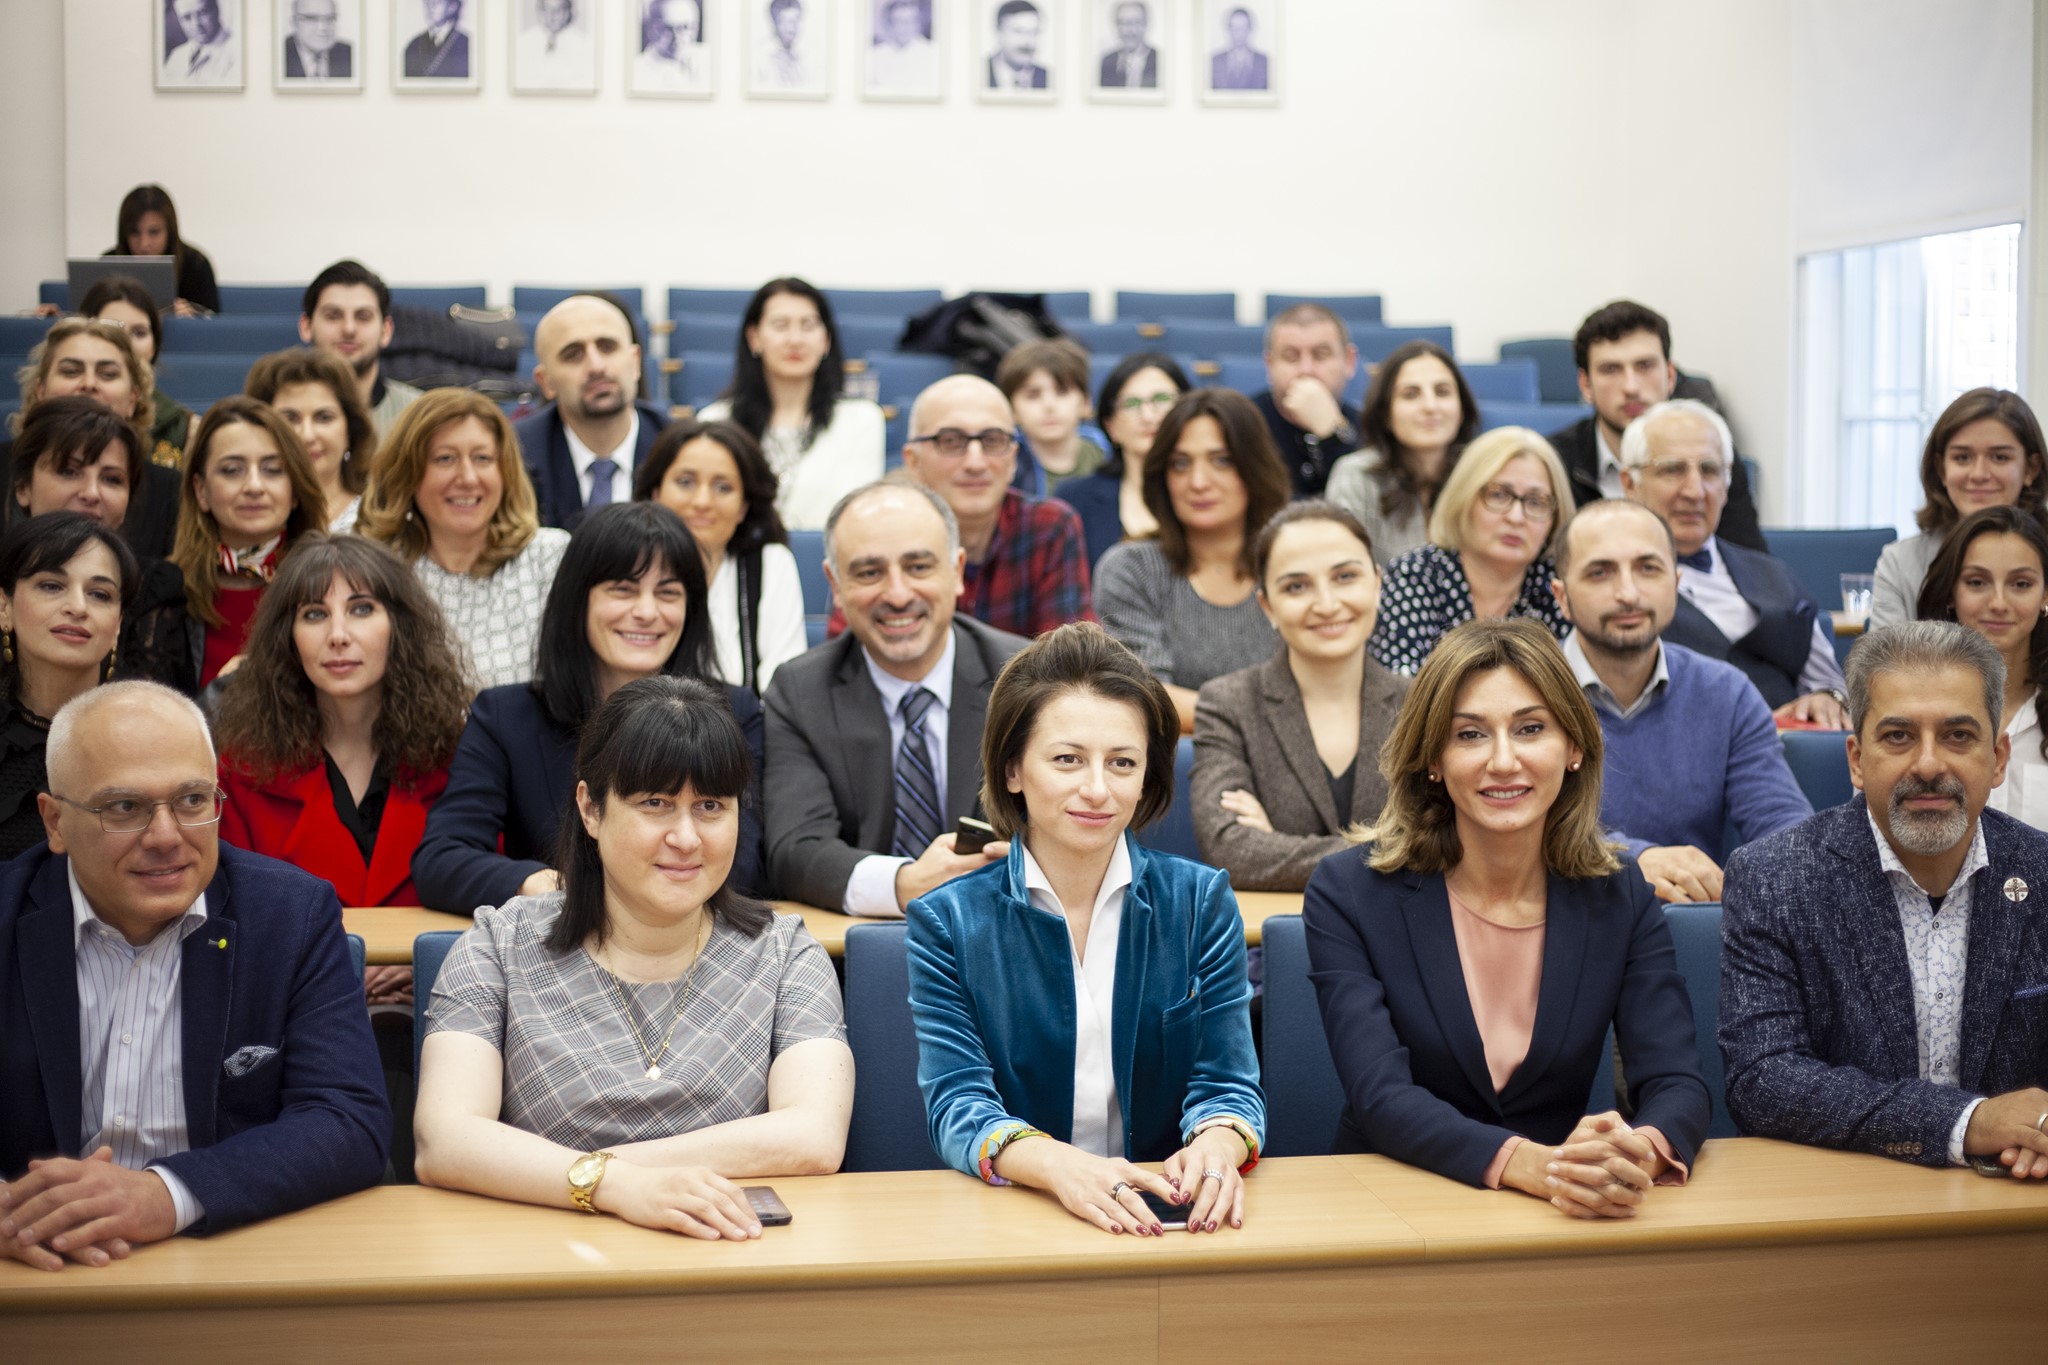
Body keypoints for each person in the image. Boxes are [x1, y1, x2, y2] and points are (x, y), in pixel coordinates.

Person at [415, 676, 851, 1232]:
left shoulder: (785, 951)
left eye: (711, 806)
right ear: (591, 809)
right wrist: (619, 1187)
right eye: (655, 803)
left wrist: (588, 1169)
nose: (687, 838)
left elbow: (814, 1136)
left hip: (729, 1256)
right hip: (542, 1258)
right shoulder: (497, 946)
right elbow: (443, 1140)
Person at [1305, 618, 1710, 1207]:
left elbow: (1677, 1082)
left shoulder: (1620, 893)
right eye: (1470, 734)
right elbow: (1381, 1097)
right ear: (1433, 758)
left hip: (1562, 1211)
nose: (1503, 760)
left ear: (1574, 748)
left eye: (1530, 729)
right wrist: (1538, 1166)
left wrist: (1634, 1154)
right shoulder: (1348, 891)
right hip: (1391, 1203)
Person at [0, 682, 388, 1268]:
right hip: (35, 1269)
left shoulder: (291, 916)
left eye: (191, 800)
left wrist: (166, 1194)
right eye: (124, 808)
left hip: (228, 1260)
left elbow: (348, 1119)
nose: (166, 837)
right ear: (55, 823)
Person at [907, 623, 1264, 1234]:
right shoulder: (947, 919)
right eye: (1068, 760)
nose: (1097, 789)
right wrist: (1058, 1166)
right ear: (1013, 769)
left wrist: (1217, 1143)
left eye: (1122, 763)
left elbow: (1228, 1084)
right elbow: (957, 1104)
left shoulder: (1200, 901)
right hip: (1024, 1214)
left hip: (1168, 1217)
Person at [1720, 621, 2048, 1177]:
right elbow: (1763, 1078)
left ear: (1997, 758)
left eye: (1958, 736)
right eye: (1898, 736)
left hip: (2015, 1198)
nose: (1928, 764)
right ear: (1856, 758)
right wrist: (1967, 1122)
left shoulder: (2040, 874)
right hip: (1842, 1200)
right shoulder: (1775, 878)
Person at [413, 502, 765, 915]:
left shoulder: (734, 712)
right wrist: (544, 885)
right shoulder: (505, 716)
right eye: (623, 590)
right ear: (578, 599)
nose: (646, 612)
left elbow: (745, 864)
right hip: (554, 938)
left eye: (668, 593)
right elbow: (442, 858)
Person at [763, 480, 1026, 915]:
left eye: (918, 567)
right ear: (835, 584)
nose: (898, 595)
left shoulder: (1026, 679)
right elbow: (796, 848)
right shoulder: (800, 692)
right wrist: (905, 883)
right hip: (856, 944)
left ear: (957, 571)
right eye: (869, 573)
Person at [1551, 500, 1813, 902]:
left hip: (1690, 918)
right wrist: (1631, 861)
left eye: (1648, 568)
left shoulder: (1727, 692)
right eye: (1600, 572)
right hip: (1559, 914)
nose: (1628, 593)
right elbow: (1516, 833)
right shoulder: (1525, 693)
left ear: (1675, 584)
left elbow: (1783, 826)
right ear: (1562, 597)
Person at [215, 534, 471, 917]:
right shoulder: (242, 772)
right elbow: (232, 917)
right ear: (288, 638)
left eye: (361, 609)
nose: (338, 636)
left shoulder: (460, 758)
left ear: (399, 626)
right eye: (315, 614)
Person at [1192, 502, 1406, 891]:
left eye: (1345, 577)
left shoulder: (1421, 703)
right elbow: (1228, 848)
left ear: (1377, 584)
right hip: (1276, 928)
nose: (1327, 604)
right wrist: (1392, 848)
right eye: (1296, 586)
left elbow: (1448, 838)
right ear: (1267, 606)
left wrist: (1276, 845)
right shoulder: (1228, 704)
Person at [1621, 399, 1847, 727]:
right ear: (1630, 484)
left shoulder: (1773, 573)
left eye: (1709, 470)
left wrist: (1827, 698)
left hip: (1787, 746)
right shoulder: (1611, 586)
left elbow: (1830, 684)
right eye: (1672, 469)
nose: (1695, 491)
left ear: (1727, 485)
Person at [1095, 389, 1289, 729]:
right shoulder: (1132, 569)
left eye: (1222, 461)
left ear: (1254, 467)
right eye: (1181, 464)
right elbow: (1143, 696)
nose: (1198, 482)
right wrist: (1260, 718)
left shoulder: (1294, 561)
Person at [357, 388, 570, 690]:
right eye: (445, 459)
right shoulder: (374, 570)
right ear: (407, 473)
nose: (468, 478)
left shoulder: (549, 557)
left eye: (483, 458)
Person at [8, 400, 192, 694]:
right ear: (23, 487)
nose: (92, 493)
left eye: (111, 479)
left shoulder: (156, 587)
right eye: (69, 471)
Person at [1548, 300, 1763, 551]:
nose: (1631, 387)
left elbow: (1748, 562)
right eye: (1611, 369)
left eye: (1645, 366)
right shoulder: (1554, 463)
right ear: (1586, 385)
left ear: (1670, 376)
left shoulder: (1708, 457)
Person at [894, 374, 1094, 640]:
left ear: (1013, 459)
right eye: (950, 441)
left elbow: (1069, 657)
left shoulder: (1050, 526)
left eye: (993, 441)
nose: (975, 463)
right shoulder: (883, 533)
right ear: (913, 461)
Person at [1368, 426, 1576, 676]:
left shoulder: (1558, 587)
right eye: (1498, 495)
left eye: (1535, 502)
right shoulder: (1413, 576)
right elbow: (1400, 689)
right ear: (1464, 498)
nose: (1516, 517)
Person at [0, 514, 138, 859]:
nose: (77, 607)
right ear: (4, 607)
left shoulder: (150, 736)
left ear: (118, 625)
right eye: (51, 586)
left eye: (100, 594)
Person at [633, 419, 806, 694]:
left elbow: (783, 693)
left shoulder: (770, 565)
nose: (702, 501)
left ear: (744, 506)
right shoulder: (624, 564)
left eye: (723, 487)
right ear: (656, 493)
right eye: (685, 482)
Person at [700, 279, 886, 532]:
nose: (795, 339)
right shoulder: (716, 420)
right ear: (754, 338)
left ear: (826, 340)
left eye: (808, 326)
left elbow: (859, 516)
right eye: (780, 326)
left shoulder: (861, 419)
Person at [170, 397, 327, 689]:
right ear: (201, 491)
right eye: (232, 470)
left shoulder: (330, 583)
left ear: (295, 490)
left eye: (273, 470)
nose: (254, 486)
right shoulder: (165, 594)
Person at [1915, 506, 2048, 830]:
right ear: (1950, 592)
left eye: (2021, 584)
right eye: (1977, 582)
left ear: (2045, 595)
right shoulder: (1907, 702)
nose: (1999, 603)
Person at [1872, 389, 2046, 630]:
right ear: (1941, 469)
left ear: (2030, 468)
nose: (1979, 474)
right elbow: (1883, 654)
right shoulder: (1901, 562)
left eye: (1999, 457)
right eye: (1962, 458)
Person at [10, 317, 181, 562]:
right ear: (41, 391)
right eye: (71, 371)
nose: (89, 384)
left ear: (133, 399)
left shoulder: (170, 490)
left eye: (108, 374)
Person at [1324, 340, 1481, 566]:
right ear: (1386, 413)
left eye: (1442, 392)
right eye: (1411, 394)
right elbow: (1343, 568)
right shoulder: (1355, 476)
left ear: (1462, 408)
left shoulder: (1484, 474)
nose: (1430, 406)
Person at [516, 295, 666, 531]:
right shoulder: (516, 454)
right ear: (546, 382)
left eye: (607, 347)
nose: (596, 366)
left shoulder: (678, 449)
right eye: (573, 354)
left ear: (635, 362)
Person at [1058, 352, 1191, 568]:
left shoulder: (1209, 491)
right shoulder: (1074, 499)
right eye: (1131, 403)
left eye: (1162, 399)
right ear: (1111, 427)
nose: (1148, 416)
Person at [243, 348, 376, 533]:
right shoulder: (241, 518)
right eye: (290, 418)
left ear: (351, 431)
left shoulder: (380, 522)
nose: (307, 436)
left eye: (324, 418)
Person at [78, 273, 191, 472]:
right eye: (112, 330)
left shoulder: (185, 427)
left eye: (139, 333)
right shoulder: (57, 419)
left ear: (154, 345)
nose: (127, 344)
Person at [299, 260, 423, 440]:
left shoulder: (419, 416)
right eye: (333, 316)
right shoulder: (276, 414)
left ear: (386, 331)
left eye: (363, 317)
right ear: (306, 327)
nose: (349, 329)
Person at [1254, 304, 1362, 497]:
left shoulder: (1370, 428)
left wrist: (1332, 433)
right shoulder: (1242, 423)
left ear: (1349, 361)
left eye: (1321, 355)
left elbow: (1366, 502)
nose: (1306, 370)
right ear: (1269, 365)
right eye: (1291, 357)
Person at [995, 338, 1107, 491]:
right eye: (1033, 395)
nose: (1049, 405)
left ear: (1086, 403)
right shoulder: (1005, 467)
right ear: (1012, 409)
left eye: (1062, 392)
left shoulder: (1106, 452)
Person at [102, 186, 219, 316]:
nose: (144, 243)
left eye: (154, 232)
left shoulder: (196, 265)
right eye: (134, 232)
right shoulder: (107, 265)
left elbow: (213, 322)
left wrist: (190, 318)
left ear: (170, 231)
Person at [161, 0, 241, 89]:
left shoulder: (239, 52)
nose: (196, 24)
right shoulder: (176, 56)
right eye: (187, 17)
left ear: (216, 10)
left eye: (203, 12)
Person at [635, 0, 709, 91]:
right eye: (667, 28)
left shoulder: (710, 59)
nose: (677, 36)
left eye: (685, 27)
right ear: (650, 30)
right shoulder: (637, 71)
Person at [868, 0, 937, 91]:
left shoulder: (932, 53)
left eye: (910, 21)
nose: (905, 27)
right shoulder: (875, 55)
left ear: (918, 24)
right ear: (889, 24)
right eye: (899, 22)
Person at [987, 0, 1048, 88]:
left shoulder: (1048, 78)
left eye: (1034, 32)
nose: (1027, 42)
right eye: (1018, 31)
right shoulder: (977, 72)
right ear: (998, 32)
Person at [284, 0, 352, 77]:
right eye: (312, 19)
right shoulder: (279, 54)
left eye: (330, 18)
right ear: (294, 22)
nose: (323, 27)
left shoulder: (349, 54)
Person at [404, 0, 471, 77]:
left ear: (452, 6)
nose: (431, 7)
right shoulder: (413, 46)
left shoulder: (466, 45)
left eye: (437, 2)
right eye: (427, 2)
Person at [754, 0, 813, 87]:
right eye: (785, 21)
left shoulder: (801, 58)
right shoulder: (762, 58)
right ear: (775, 23)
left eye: (795, 21)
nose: (791, 28)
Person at [1098, 1, 1157, 87]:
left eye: (1136, 22)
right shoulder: (1107, 62)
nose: (1130, 30)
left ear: (1145, 24)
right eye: (1123, 23)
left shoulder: (1159, 60)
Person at [1209, 6, 1267, 89]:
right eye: (1234, 28)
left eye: (1243, 27)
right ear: (1228, 30)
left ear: (1250, 29)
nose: (1238, 33)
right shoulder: (1215, 62)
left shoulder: (1264, 62)